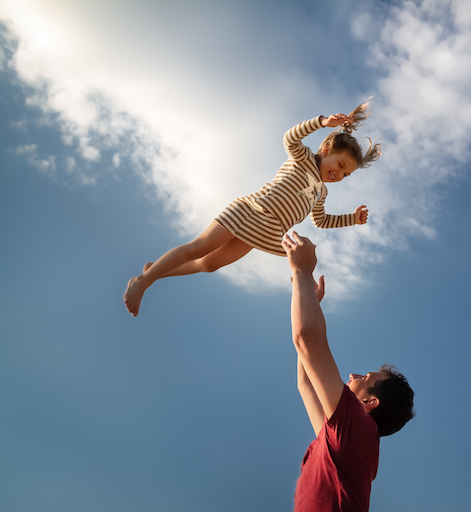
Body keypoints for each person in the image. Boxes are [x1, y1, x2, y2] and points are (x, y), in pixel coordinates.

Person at [123, 101, 381, 316]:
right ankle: (142, 281)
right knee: (199, 247)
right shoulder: (302, 159)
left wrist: (352, 219)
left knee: (210, 264)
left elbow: (321, 220)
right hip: (250, 211)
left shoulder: (321, 192)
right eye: (339, 165)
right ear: (325, 150)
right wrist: (322, 122)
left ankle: (155, 272)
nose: (339, 174)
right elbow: (289, 137)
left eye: (346, 174)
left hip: (266, 231)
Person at [282, 230, 415, 512]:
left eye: (365, 379)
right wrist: (309, 300)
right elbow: (306, 381)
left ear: (368, 403)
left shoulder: (356, 430)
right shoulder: (343, 439)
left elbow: (306, 339)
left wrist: (302, 271)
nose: (352, 376)